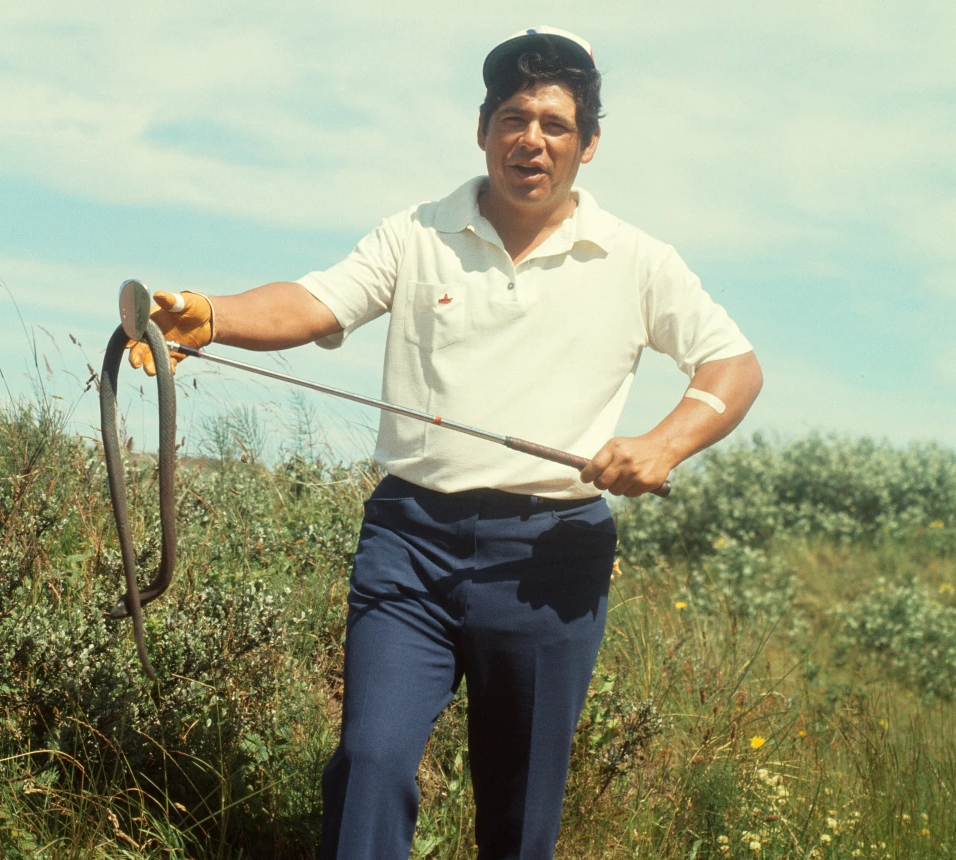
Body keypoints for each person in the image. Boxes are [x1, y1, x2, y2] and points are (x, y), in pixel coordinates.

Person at [126, 26, 762, 860]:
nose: (530, 139)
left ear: (589, 144)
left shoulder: (638, 259)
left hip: (551, 559)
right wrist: (212, 317)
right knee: (370, 762)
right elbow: (318, 303)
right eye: (512, 117)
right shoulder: (414, 234)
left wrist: (667, 442)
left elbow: (734, 364)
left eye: (555, 124)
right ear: (482, 128)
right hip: (408, 542)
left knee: (519, 812)